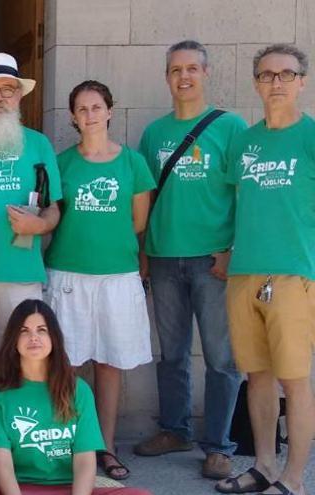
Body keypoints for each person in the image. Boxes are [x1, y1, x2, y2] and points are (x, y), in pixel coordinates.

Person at [134, 40, 246, 481]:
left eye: (193, 69)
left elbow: (246, 193)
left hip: (212, 261)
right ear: (166, 77)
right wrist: (143, 252)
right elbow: (144, 202)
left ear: (206, 73)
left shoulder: (231, 127)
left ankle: (218, 446)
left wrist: (233, 249)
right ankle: (174, 430)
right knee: (172, 354)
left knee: (221, 357)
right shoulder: (154, 134)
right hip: (163, 258)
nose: (184, 77)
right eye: (176, 69)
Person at [43, 80, 155, 481]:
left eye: (96, 107)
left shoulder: (133, 163)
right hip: (68, 276)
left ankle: (106, 448)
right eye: (81, 109)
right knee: (66, 365)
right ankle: (68, 445)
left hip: (117, 277)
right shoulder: (61, 163)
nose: (89, 115)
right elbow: (51, 215)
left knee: (109, 365)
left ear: (110, 111)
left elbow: (139, 222)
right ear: (73, 117)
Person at [216, 43, 314, 495]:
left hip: (294, 275)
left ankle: (294, 478)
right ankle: (264, 466)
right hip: (244, 273)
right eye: (268, 75)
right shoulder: (245, 140)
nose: (277, 82)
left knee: (294, 380)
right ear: (256, 82)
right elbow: (238, 205)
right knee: (257, 376)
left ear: (302, 81)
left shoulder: (310, 138)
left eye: (286, 74)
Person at [0, 52, 62, 485]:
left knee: (21, 364)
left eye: (8, 90)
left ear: (19, 97)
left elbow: (55, 209)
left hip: (22, 274)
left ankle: (14, 451)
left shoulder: (39, 144)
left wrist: (38, 224)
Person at [0, 299, 152, 495]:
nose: (33, 338)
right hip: (18, 489)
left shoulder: (77, 389)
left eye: (42, 330)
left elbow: (85, 460)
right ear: (13, 339)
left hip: (70, 488)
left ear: (54, 338)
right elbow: (2, 463)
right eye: (24, 331)